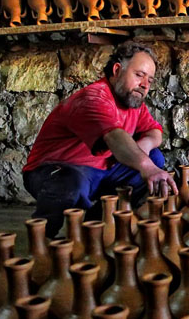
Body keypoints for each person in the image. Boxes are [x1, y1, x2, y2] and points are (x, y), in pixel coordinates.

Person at [22, 41, 178, 238]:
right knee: (70, 184)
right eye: (139, 75)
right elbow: (114, 137)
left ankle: (96, 223)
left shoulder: (133, 102)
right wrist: (147, 167)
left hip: (101, 171)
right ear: (117, 70)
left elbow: (154, 132)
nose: (145, 85)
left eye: (150, 80)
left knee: (154, 157)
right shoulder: (94, 98)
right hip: (57, 169)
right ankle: (43, 237)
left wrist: (144, 148)